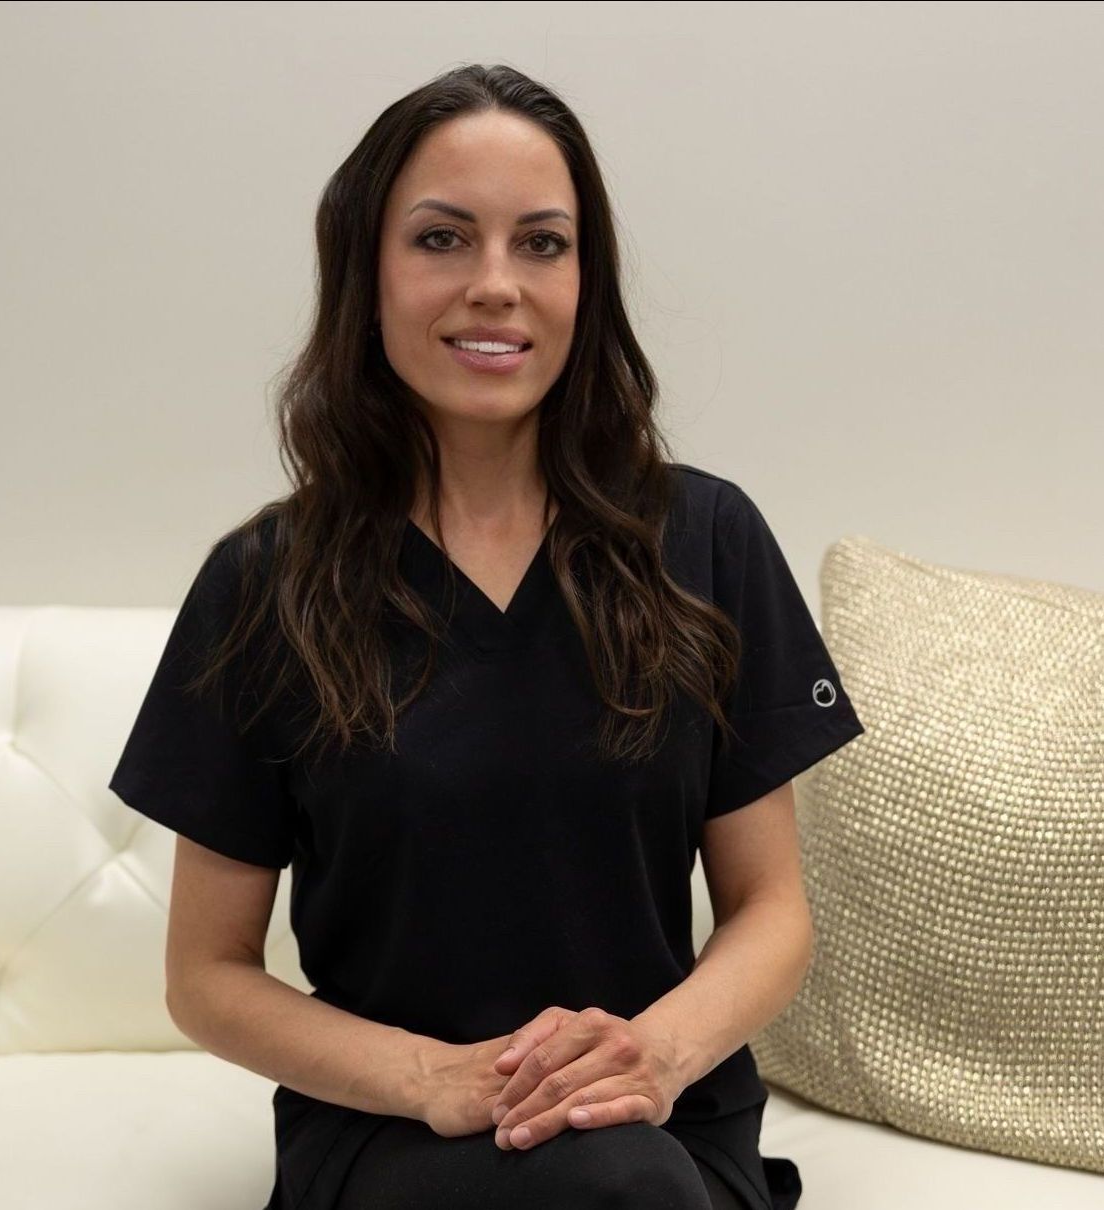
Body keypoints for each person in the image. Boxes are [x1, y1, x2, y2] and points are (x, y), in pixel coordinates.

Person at [108, 63, 864, 1210]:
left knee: (624, 1179)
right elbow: (205, 975)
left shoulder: (706, 540)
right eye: (442, 239)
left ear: (585, 283)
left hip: (661, 1116)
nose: (496, 285)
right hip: (389, 1128)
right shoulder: (264, 585)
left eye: (542, 244)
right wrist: (434, 1078)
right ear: (366, 272)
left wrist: (651, 1057)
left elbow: (772, 908)